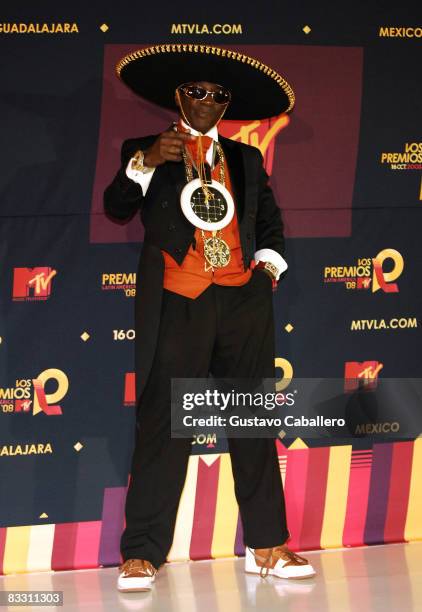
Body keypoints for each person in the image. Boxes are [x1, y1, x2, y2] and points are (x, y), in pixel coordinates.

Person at [104, 44, 316, 592]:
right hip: (180, 297)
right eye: (197, 92)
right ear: (179, 97)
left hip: (242, 299)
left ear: (227, 106)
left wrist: (265, 272)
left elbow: (268, 220)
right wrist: (147, 161)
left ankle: (267, 544)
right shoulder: (147, 150)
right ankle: (143, 553)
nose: (208, 102)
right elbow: (117, 205)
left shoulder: (246, 159)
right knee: (164, 424)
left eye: (218, 95)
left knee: (252, 421)